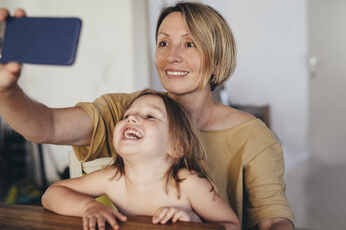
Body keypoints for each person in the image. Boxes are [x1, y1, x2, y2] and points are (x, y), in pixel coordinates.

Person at [0, 2, 295, 230]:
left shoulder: (254, 137)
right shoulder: (127, 110)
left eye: (189, 44)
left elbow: (272, 218)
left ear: (217, 61)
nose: (171, 56)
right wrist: (6, 90)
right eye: (163, 43)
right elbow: (46, 126)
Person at [41, 89, 240, 230]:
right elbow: (52, 194)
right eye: (127, 115)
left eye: (150, 116)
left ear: (177, 147)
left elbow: (233, 225)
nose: (131, 119)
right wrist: (88, 206)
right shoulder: (114, 178)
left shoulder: (189, 183)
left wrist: (194, 222)